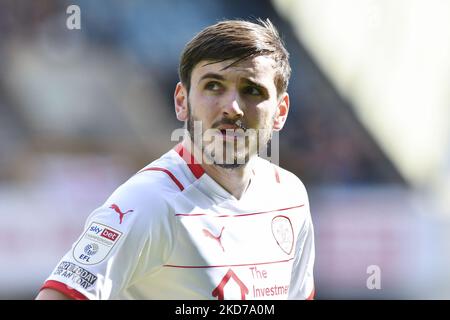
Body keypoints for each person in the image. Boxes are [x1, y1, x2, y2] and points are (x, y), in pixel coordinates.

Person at [36, 18, 315, 300]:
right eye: (214, 86)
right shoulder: (148, 202)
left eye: (252, 90)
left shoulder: (290, 195)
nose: (232, 108)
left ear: (280, 111)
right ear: (182, 101)